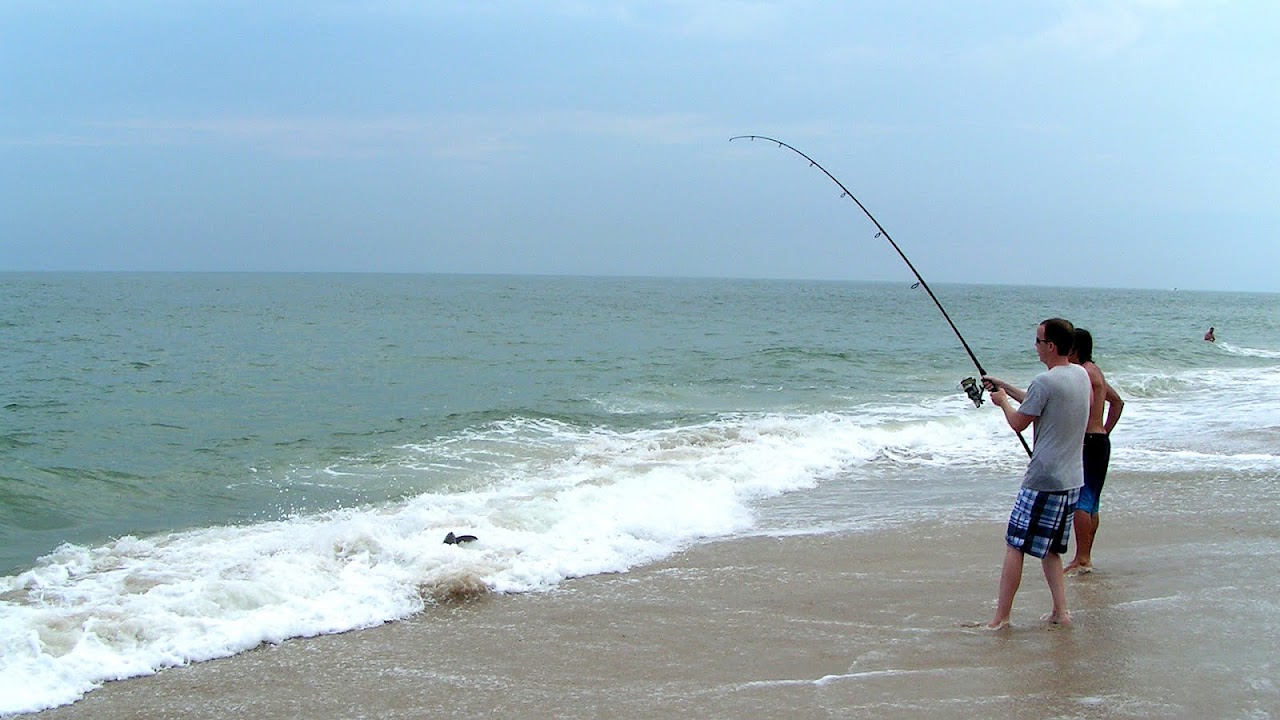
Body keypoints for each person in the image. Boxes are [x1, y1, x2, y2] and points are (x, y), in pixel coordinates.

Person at [981, 318, 1091, 629]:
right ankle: (1061, 611)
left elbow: (1018, 422)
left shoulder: (1046, 382)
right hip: (1072, 478)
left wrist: (1001, 402)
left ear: (1051, 346)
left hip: (1043, 479)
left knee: (1016, 544)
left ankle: (1000, 618)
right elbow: (1037, 400)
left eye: (1039, 341)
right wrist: (1004, 385)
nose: (1036, 345)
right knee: (1052, 549)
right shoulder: (1079, 375)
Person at [1064, 328, 1124, 575]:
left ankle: (1082, 557)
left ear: (1074, 348)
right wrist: (1105, 430)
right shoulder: (1094, 370)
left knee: (1081, 500)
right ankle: (1086, 555)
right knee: (1093, 502)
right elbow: (1117, 402)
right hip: (1099, 440)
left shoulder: (1082, 373)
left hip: (1088, 441)